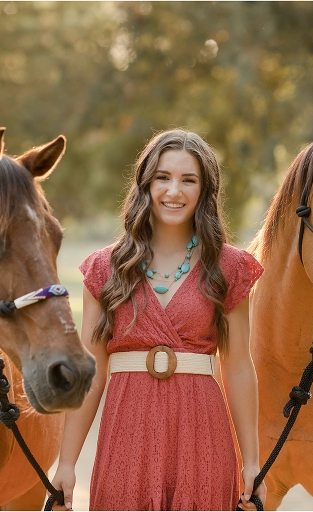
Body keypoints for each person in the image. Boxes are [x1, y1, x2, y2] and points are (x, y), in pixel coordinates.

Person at [51, 129, 267, 511]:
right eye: (163, 177)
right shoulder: (106, 268)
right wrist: (66, 463)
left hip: (202, 431)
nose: (174, 191)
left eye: (189, 180)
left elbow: (237, 369)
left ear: (205, 190)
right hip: (126, 430)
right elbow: (94, 369)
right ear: (145, 184)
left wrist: (252, 462)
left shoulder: (229, 268)